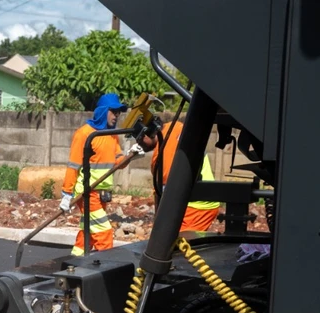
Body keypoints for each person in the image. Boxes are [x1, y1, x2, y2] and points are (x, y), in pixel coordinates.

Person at [59, 94, 147, 256]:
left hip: (102, 194)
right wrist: (66, 194)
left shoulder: (111, 135)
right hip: (87, 192)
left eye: (119, 112)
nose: (117, 116)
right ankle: (107, 268)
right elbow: (73, 165)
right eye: (113, 111)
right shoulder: (85, 134)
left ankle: (75, 260)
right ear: (103, 111)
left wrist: (131, 155)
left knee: (88, 232)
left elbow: (118, 163)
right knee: (103, 232)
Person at [150, 111, 221, 232]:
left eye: (140, 139)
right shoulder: (172, 130)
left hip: (195, 205)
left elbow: (165, 187)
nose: (139, 143)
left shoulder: (168, 141)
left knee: (177, 245)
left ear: (149, 133)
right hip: (196, 200)